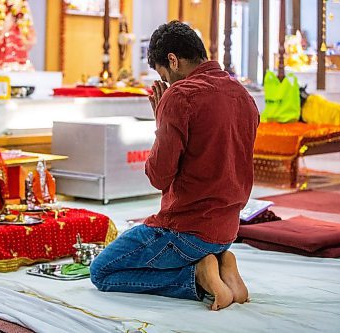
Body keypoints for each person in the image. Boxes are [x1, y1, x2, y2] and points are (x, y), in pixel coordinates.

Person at [90, 21, 259, 311]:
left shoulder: (179, 95)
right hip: (226, 231)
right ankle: (220, 263)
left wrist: (161, 122)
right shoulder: (242, 94)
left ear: (173, 60)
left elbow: (159, 176)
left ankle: (198, 277)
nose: (166, 83)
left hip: (185, 232)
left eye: (164, 75)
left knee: (101, 271)